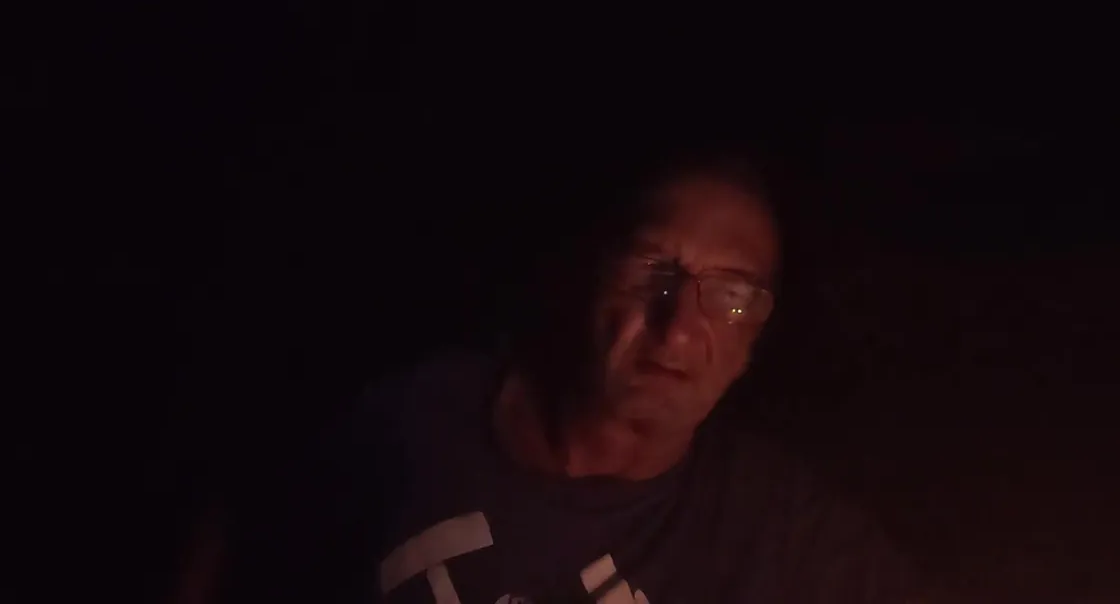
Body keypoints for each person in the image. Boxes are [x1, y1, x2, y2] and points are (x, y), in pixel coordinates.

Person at [187, 150, 913, 604]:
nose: (678, 327)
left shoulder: (777, 530)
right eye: (653, 270)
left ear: (755, 337)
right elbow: (239, 534)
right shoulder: (412, 419)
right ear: (589, 275)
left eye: (731, 296)